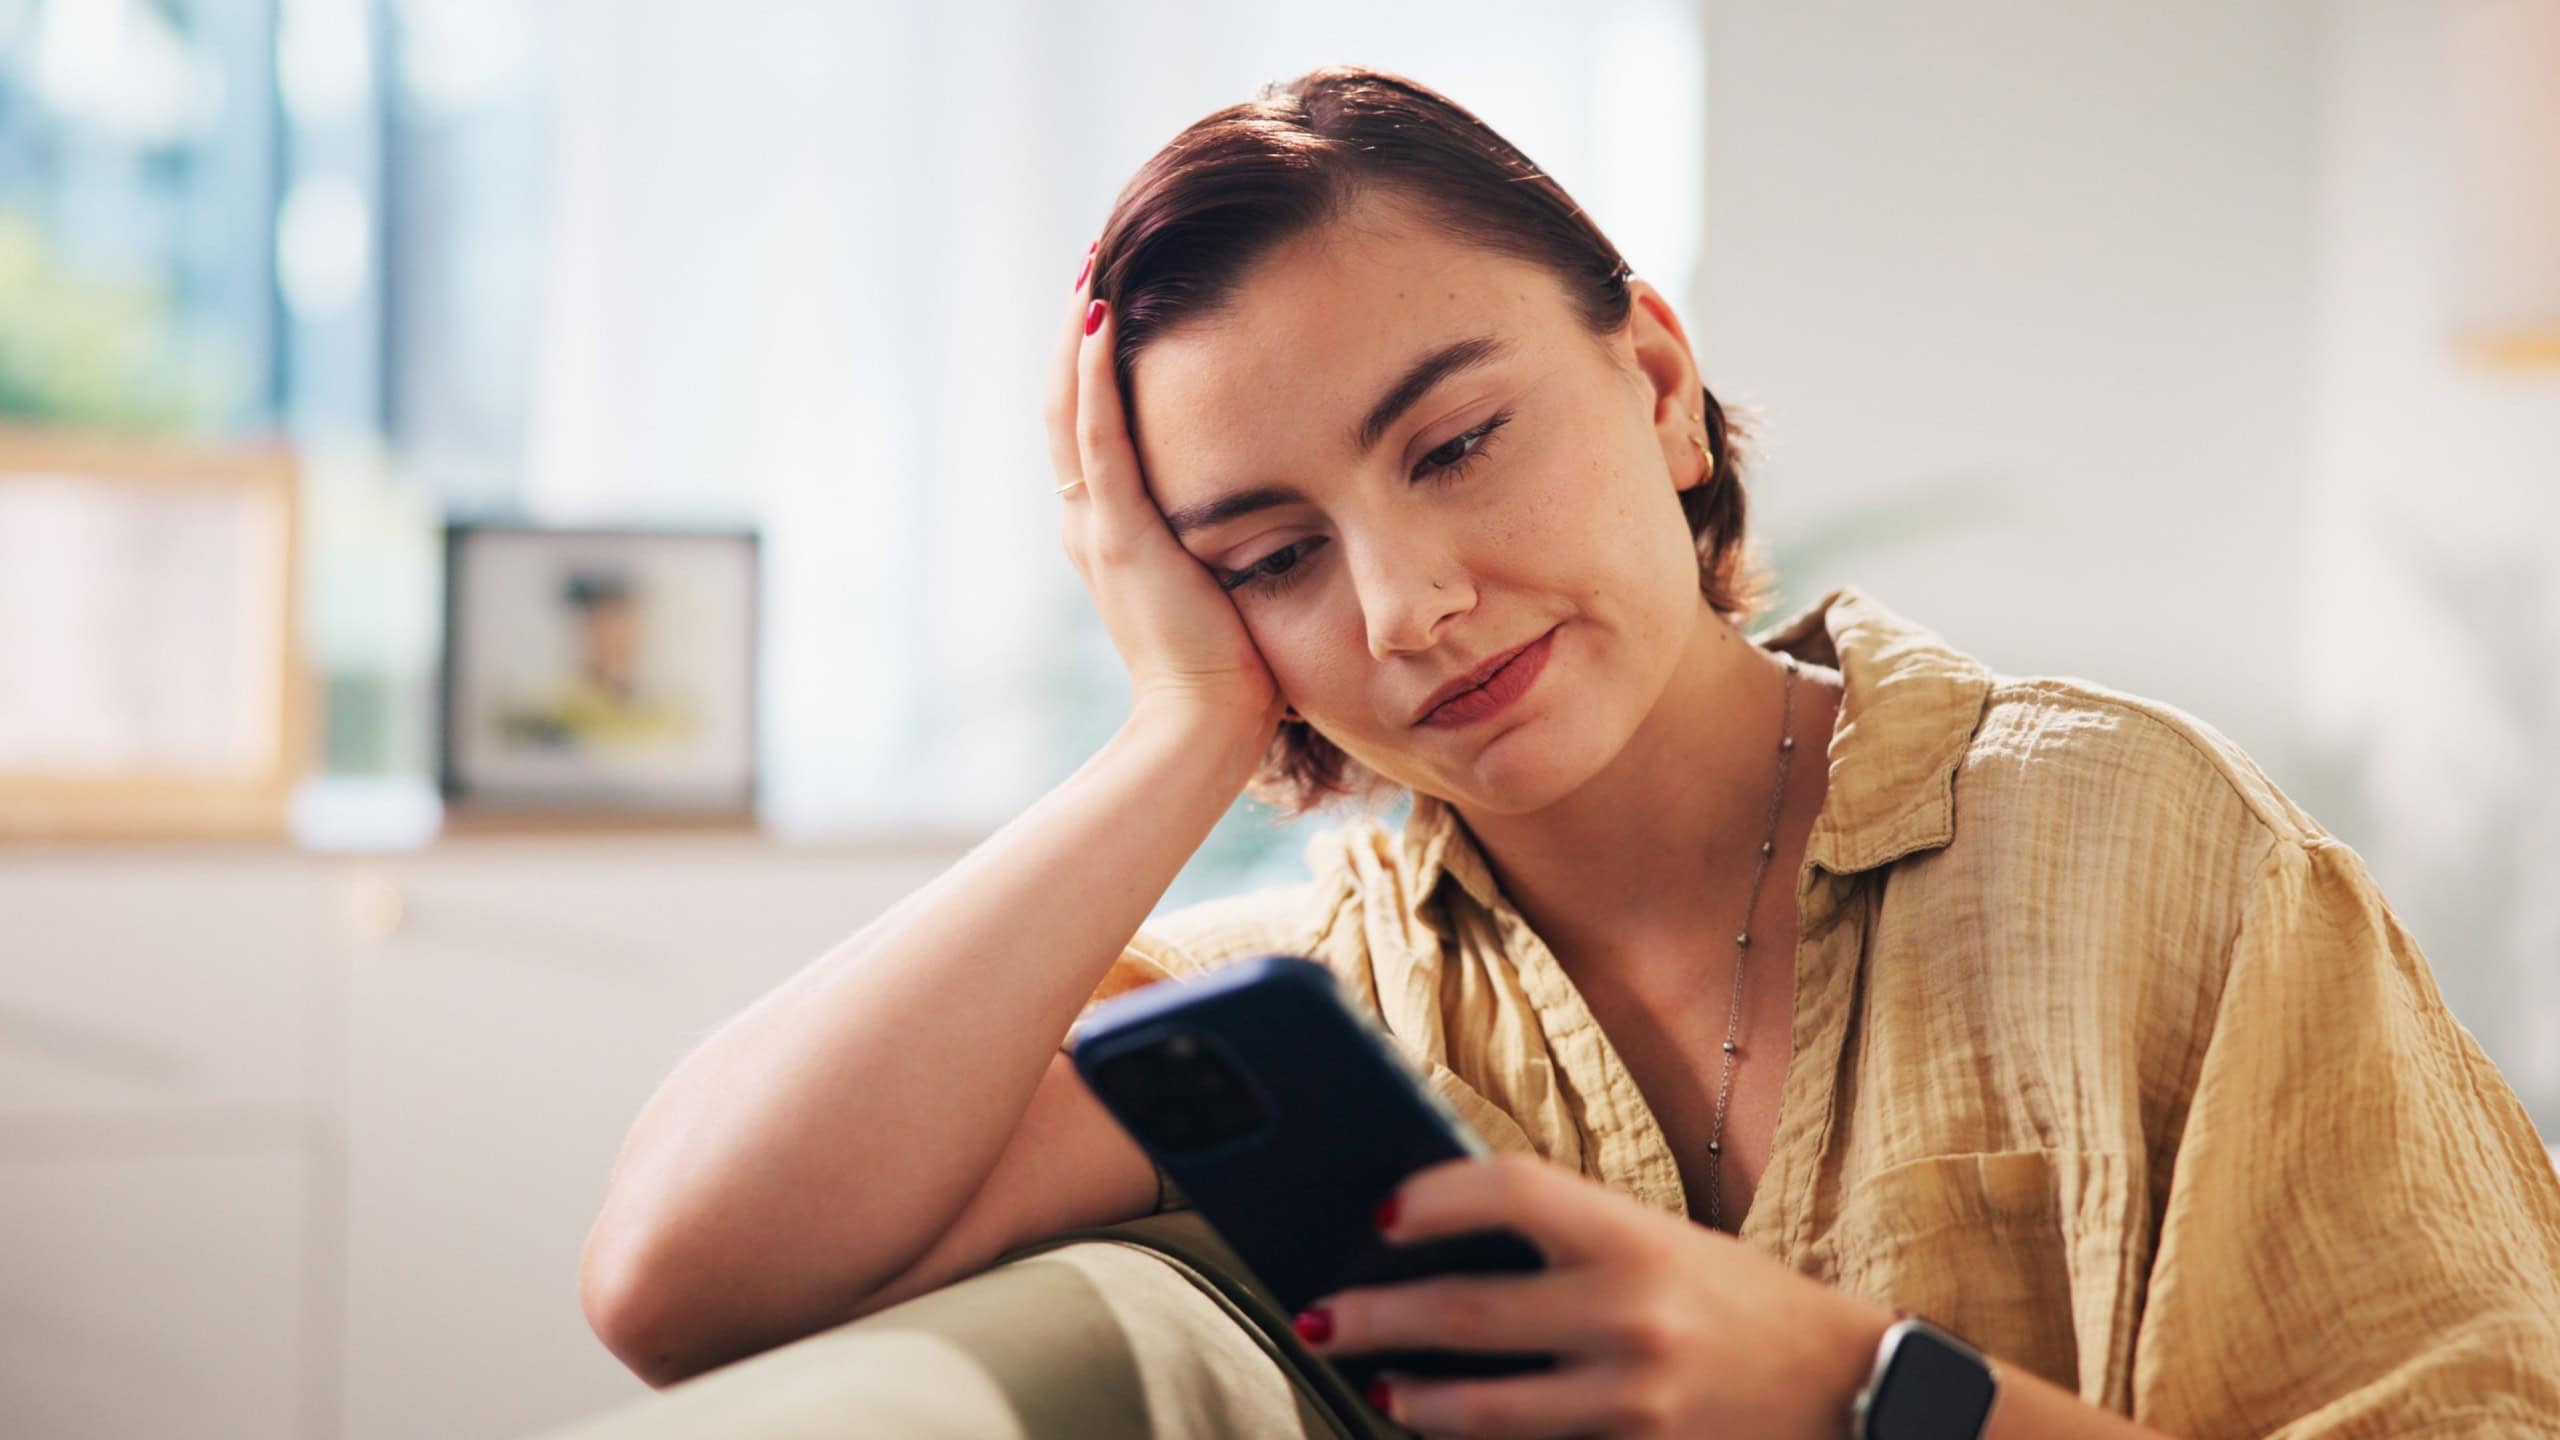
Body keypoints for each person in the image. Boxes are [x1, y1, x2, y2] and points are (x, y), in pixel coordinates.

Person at [576, 65, 2560, 1436]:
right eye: (1272, 558)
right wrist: (1175, 731)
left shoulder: (2134, 844)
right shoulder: (1318, 1008)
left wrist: (1845, 1396)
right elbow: (681, 1276)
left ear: (1656, 384)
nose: (1405, 601)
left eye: (1452, 446)